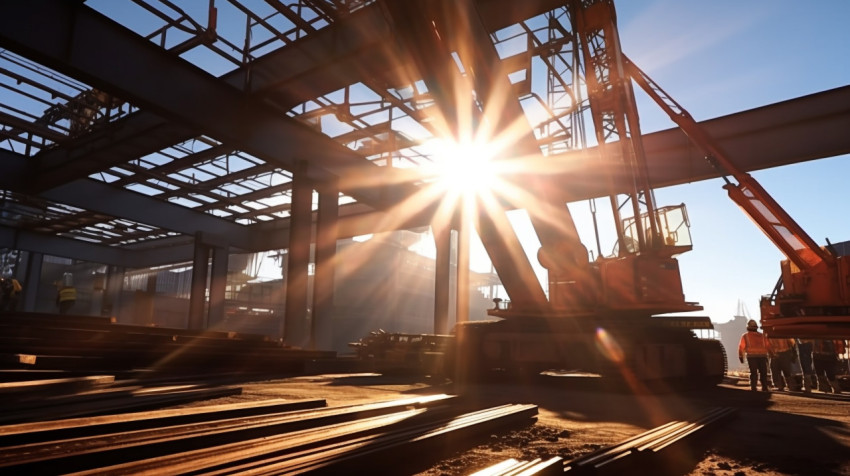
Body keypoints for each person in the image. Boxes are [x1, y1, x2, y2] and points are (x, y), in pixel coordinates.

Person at [738, 319, 770, 392]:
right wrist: (771, 354)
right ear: (756, 327)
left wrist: (740, 356)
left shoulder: (745, 336)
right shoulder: (762, 336)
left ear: (748, 327)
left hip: (751, 357)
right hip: (762, 356)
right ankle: (764, 387)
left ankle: (753, 387)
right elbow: (768, 346)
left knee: (753, 372)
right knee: (763, 372)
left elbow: (741, 347)